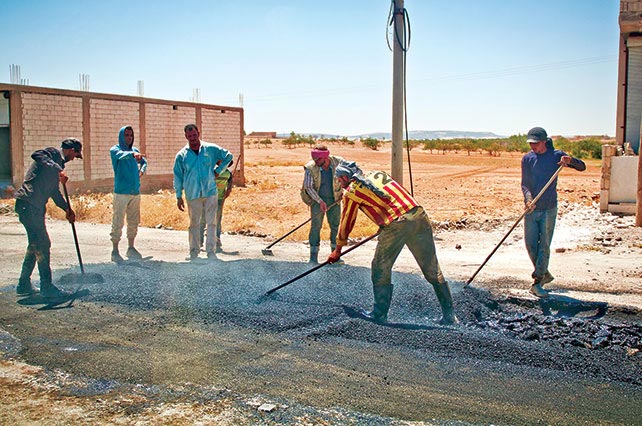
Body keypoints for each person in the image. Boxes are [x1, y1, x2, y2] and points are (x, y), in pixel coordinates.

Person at [327, 161, 458, 325]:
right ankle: (450, 315)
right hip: (418, 215)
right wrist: (385, 222)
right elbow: (394, 199)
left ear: (345, 177)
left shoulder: (352, 191)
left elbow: (346, 222)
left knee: (380, 267)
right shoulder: (377, 173)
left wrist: (337, 251)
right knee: (431, 267)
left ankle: (379, 314)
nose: (339, 183)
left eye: (339, 180)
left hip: (396, 224)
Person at [14, 138, 83, 299]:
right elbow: (36, 154)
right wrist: (58, 170)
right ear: (71, 150)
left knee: (35, 243)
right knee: (43, 243)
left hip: (34, 207)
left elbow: (54, 192)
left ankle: (23, 284)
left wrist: (67, 209)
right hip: (28, 204)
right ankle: (47, 286)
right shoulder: (51, 154)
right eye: (75, 154)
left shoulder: (56, 164)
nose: (74, 158)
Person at [521, 127, 586, 298]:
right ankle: (545, 273)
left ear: (544, 141)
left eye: (535, 143)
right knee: (530, 244)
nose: (532, 146)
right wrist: (528, 199)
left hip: (549, 208)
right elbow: (525, 183)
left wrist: (570, 160)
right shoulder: (527, 159)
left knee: (544, 246)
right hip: (531, 208)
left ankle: (538, 281)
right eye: (530, 143)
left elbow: (582, 167)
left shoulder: (556, 156)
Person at [174, 124, 232, 260]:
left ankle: (211, 252)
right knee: (194, 223)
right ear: (186, 136)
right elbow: (177, 176)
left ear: (198, 133)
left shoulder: (210, 149)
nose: (192, 138)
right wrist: (178, 195)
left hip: (210, 192)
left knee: (212, 222)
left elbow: (228, 156)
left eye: (194, 135)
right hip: (192, 194)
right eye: (189, 136)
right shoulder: (181, 155)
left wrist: (219, 171)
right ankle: (194, 251)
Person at [109, 125, 147, 262]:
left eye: (131, 135)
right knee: (118, 220)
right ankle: (115, 249)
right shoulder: (115, 150)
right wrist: (132, 155)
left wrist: (142, 170)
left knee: (133, 220)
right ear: (121, 136)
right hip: (121, 192)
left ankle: (131, 247)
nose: (129, 138)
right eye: (126, 135)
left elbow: (144, 162)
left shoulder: (135, 150)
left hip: (135, 192)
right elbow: (120, 156)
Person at [301, 145, 344, 264]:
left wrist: (344, 192)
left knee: (335, 227)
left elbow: (349, 177)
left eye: (318, 159)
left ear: (325, 157)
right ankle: (313, 258)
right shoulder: (310, 168)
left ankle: (335, 256)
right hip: (317, 200)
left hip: (335, 200)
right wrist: (320, 201)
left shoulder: (339, 163)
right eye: (314, 159)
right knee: (316, 227)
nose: (315, 162)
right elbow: (308, 187)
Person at [199, 160, 233, 253]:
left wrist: (227, 192)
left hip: (219, 200)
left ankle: (216, 242)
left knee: (217, 221)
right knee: (203, 220)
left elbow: (229, 186)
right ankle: (200, 242)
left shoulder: (228, 174)